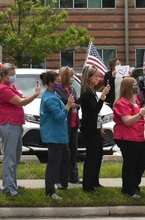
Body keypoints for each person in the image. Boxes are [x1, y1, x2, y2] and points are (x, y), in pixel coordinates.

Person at [0, 63, 40, 197]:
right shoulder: (3, 89)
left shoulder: (11, 85)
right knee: (10, 158)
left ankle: (12, 183)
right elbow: (21, 102)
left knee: (16, 156)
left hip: (16, 123)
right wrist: (36, 94)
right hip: (9, 124)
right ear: (4, 75)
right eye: (12, 75)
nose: (14, 77)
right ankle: (8, 189)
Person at [40, 70, 75, 200]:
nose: (60, 84)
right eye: (58, 82)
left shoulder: (53, 95)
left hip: (60, 135)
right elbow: (59, 117)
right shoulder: (49, 99)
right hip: (53, 135)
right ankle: (50, 190)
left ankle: (62, 183)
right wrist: (68, 105)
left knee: (66, 156)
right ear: (50, 83)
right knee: (54, 163)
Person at [79, 65, 108, 192]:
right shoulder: (87, 93)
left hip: (95, 127)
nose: (98, 78)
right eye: (95, 76)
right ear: (89, 78)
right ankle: (87, 185)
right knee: (91, 156)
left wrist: (100, 126)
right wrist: (102, 98)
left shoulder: (92, 91)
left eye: (98, 76)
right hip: (89, 128)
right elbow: (95, 110)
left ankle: (94, 181)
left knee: (98, 155)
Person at [58, 66, 80, 184]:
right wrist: (69, 105)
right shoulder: (58, 91)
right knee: (64, 152)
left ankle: (74, 176)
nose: (73, 78)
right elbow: (61, 105)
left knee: (73, 150)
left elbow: (75, 101)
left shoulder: (72, 89)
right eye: (71, 76)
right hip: (64, 125)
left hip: (74, 123)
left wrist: (77, 105)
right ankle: (62, 177)